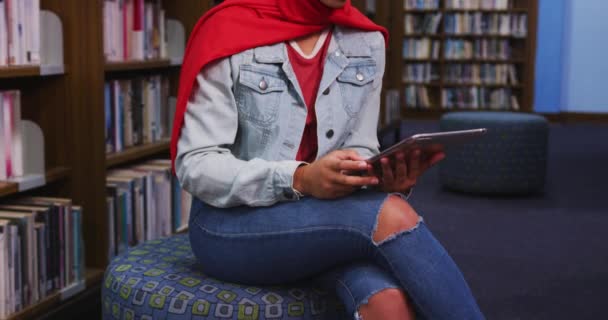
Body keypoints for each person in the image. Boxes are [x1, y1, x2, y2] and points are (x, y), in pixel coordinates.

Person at [172, 0, 485, 319]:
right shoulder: (228, 29)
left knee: (387, 301)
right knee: (392, 216)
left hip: (324, 223)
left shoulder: (366, 40)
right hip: (228, 225)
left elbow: (361, 148)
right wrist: (301, 178)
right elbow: (196, 164)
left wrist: (378, 179)